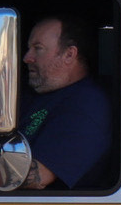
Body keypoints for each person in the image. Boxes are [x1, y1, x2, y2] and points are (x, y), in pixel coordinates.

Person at [15, 16, 113, 190]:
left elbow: (36, 178)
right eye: (29, 48)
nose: (27, 57)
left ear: (69, 54)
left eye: (38, 49)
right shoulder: (34, 92)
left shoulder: (87, 107)